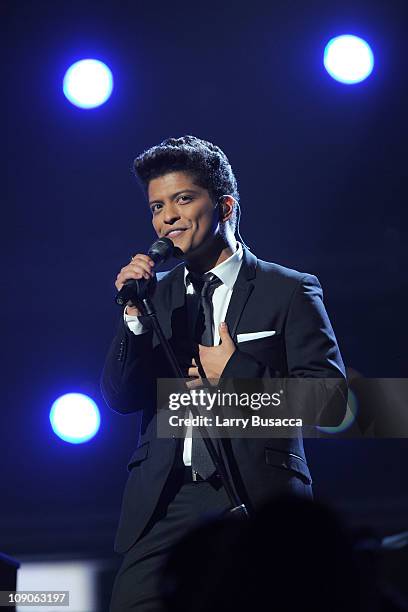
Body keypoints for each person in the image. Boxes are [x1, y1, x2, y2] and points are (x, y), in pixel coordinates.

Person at [101, 135, 346, 611]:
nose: (167, 216)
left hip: (257, 500)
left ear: (225, 206)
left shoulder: (289, 290)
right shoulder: (156, 295)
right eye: (156, 206)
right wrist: (133, 314)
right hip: (165, 500)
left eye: (183, 199)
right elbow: (120, 397)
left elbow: (332, 404)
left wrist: (234, 371)